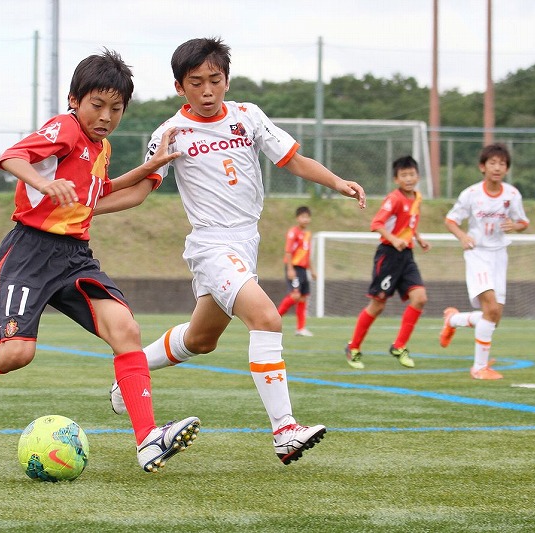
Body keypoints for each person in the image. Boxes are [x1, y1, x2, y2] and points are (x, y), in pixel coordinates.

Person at [0, 50, 202, 474]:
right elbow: (11, 157)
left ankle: (148, 441)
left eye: (115, 109)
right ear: (74, 100)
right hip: (28, 253)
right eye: (96, 105)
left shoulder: (101, 148)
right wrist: (45, 183)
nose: (105, 116)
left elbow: (99, 193)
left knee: (126, 329)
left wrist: (150, 168)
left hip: (74, 258)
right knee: (16, 354)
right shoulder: (64, 128)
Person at [96, 37, 366, 466]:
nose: (207, 91)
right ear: (178, 87)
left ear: (226, 79)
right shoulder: (170, 132)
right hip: (210, 244)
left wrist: (338, 183)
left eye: (214, 80)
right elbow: (142, 189)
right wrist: (89, 207)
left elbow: (293, 160)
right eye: (196, 82)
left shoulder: (248, 116)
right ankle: (284, 431)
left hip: (247, 242)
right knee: (266, 318)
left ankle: (132, 368)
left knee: (202, 340)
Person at [439, 143, 529, 380]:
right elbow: (451, 220)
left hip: (500, 255)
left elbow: (523, 223)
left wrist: (515, 226)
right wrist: (462, 236)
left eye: (502, 163)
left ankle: (454, 319)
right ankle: (479, 368)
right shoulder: (471, 194)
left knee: (494, 317)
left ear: (507, 168)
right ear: (482, 166)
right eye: (492, 163)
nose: (497, 168)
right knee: (490, 308)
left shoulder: (512, 195)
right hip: (477, 253)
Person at [345, 155, 430, 370]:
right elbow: (377, 223)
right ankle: (353, 347)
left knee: (419, 298)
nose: (409, 178)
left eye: (412, 174)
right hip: (389, 255)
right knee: (378, 305)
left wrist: (418, 238)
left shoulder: (417, 198)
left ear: (418, 176)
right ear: (396, 179)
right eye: (404, 175)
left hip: (407, 256)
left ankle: (399, 346)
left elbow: (409, 222)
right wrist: (394, 239)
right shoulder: (394, 199)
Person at [276, 205, 316, 337]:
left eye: (307, 217)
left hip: (304, 269)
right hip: (294, 267)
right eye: (303, 217)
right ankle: (274, 318)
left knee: (303, 297)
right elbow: (288, 251)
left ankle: (300, 328)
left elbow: (307, 254)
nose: (305, 219)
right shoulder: (293, 232)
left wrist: (312, 270)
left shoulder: (308, 235)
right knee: (295, 295)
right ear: (297, 218)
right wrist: (290, 269)